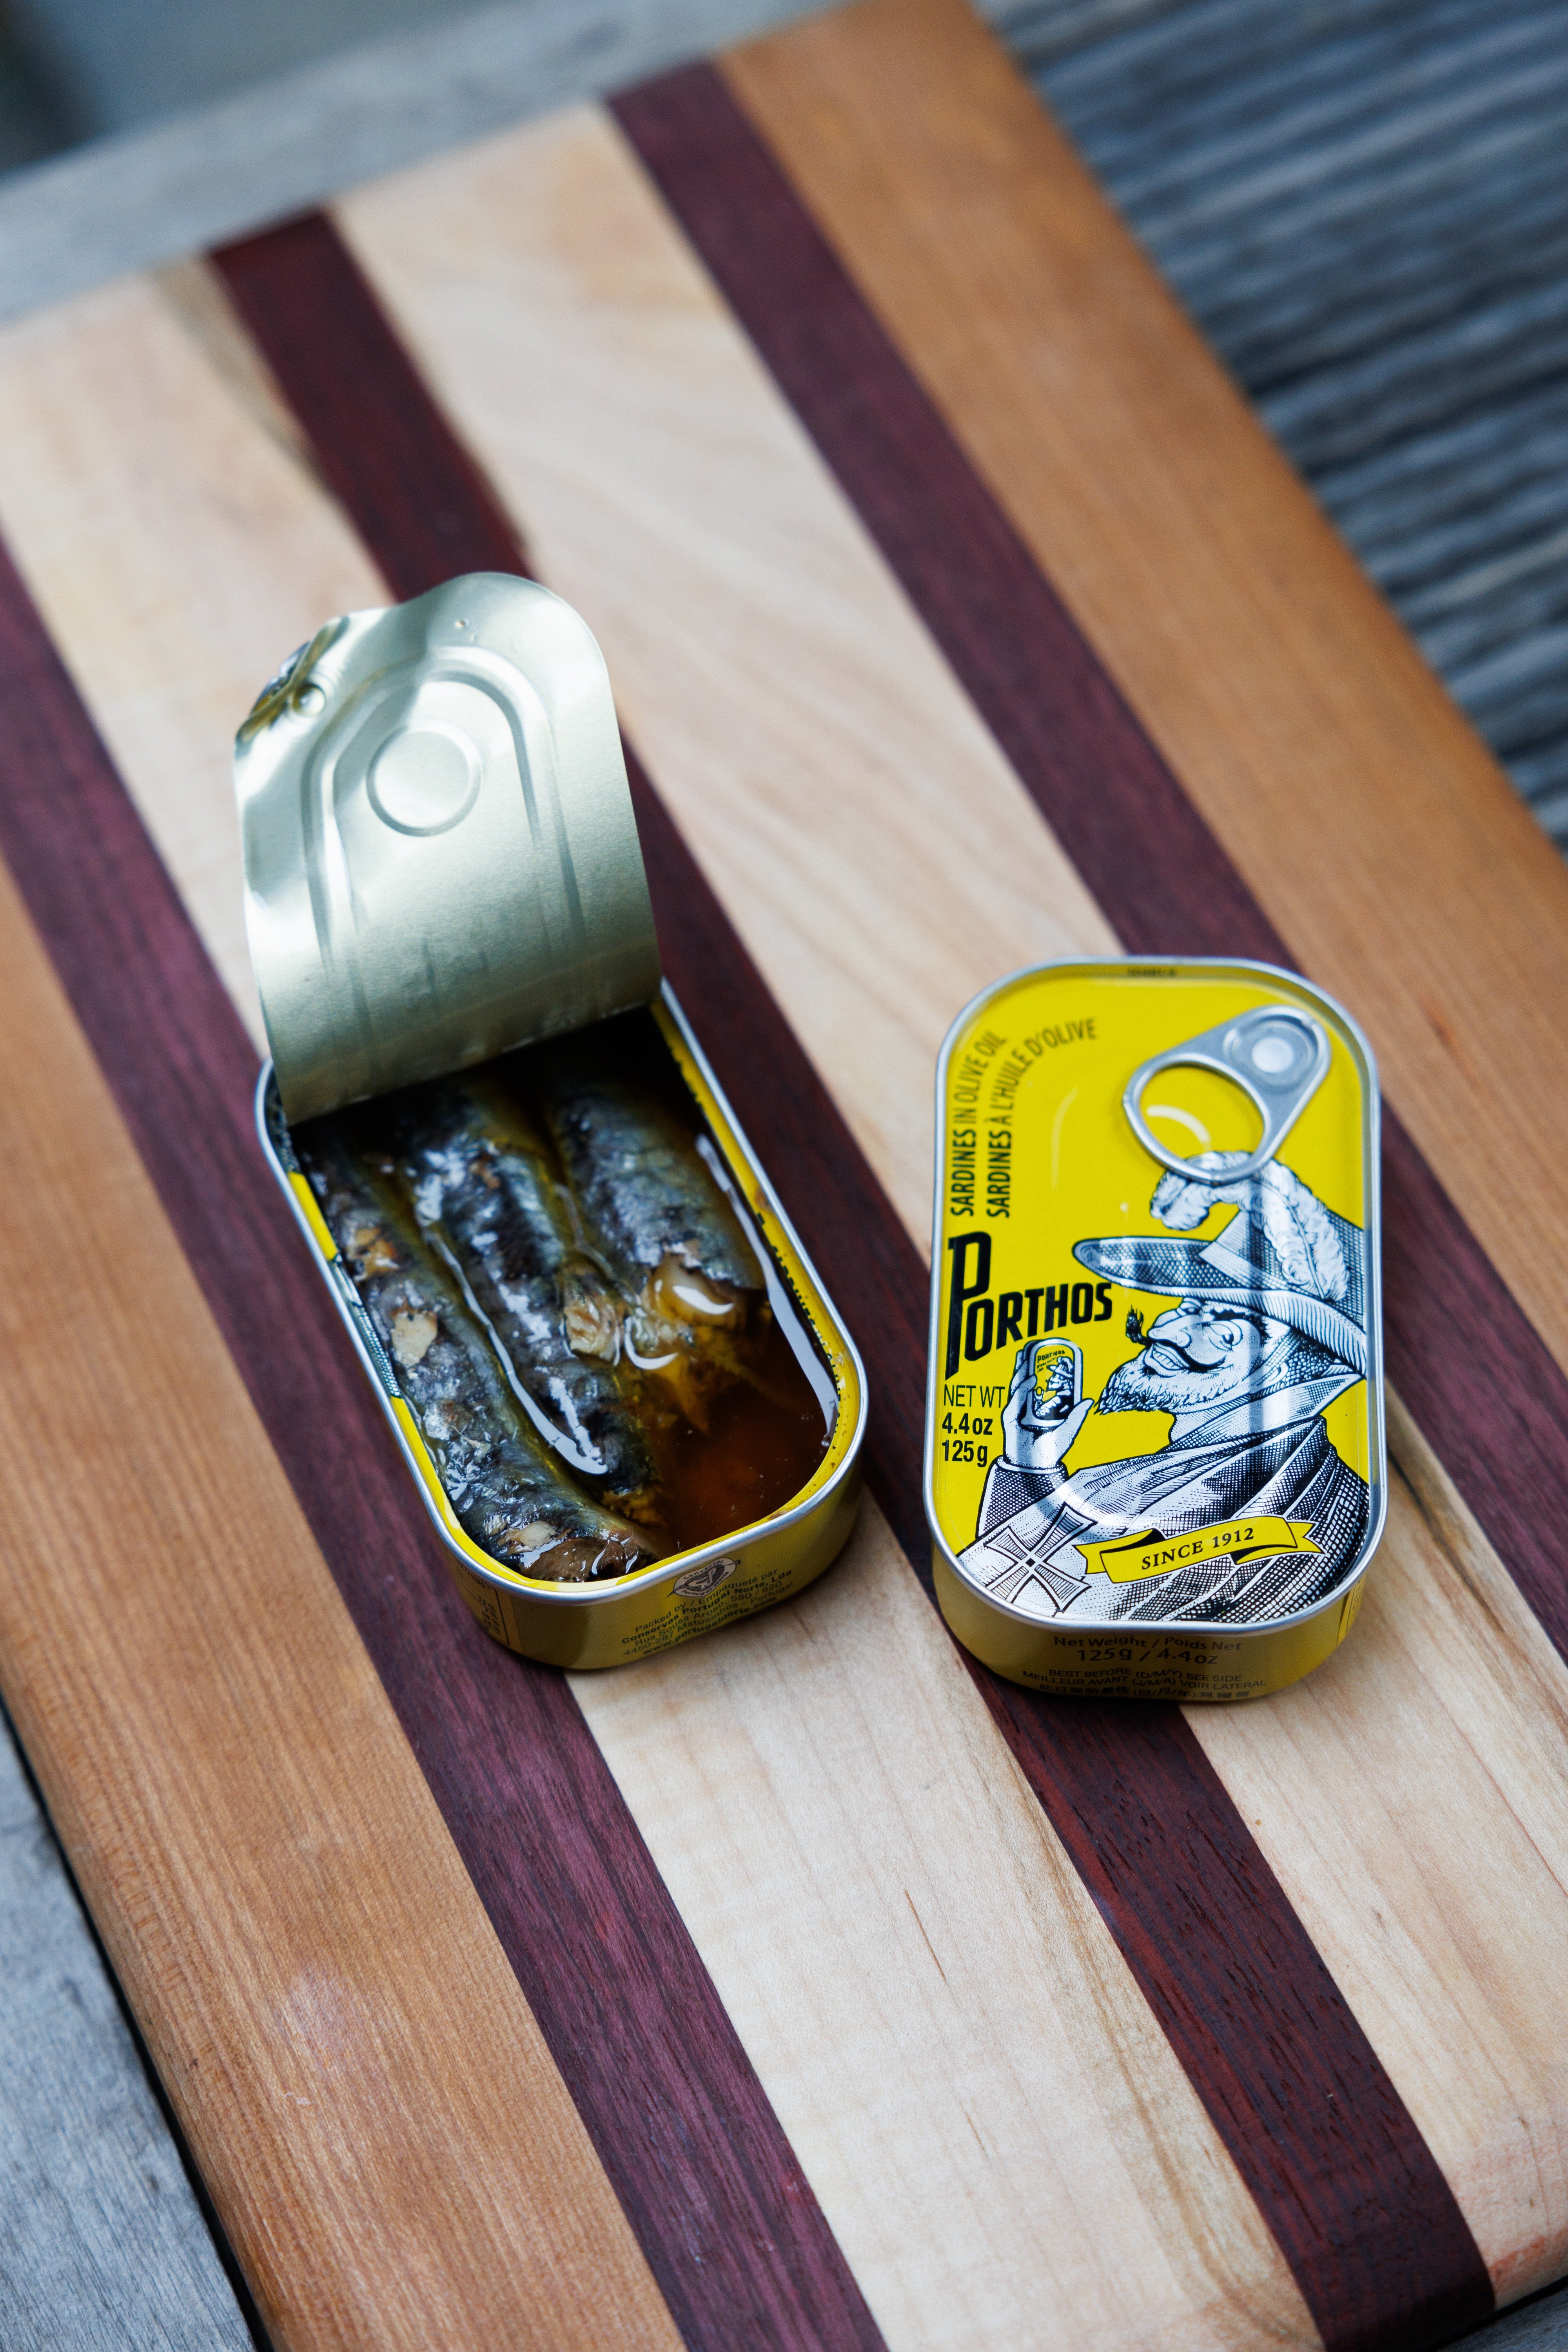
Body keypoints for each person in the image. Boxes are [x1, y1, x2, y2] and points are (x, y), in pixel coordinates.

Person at [960, 1150, 1369, 1626]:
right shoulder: (1191, 1465)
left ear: (1305, 1368)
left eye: (1224, 1326)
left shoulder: (1276, 1497)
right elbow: (1022, 1586)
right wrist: (1031, 1465)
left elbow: (1071, 1602)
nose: (1162, 1330)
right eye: (1183, 1307)